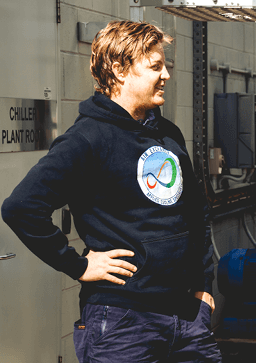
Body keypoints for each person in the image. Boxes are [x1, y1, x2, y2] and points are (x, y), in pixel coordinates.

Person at [2, 20, 222, 363]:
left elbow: (196, 211)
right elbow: (21, 207)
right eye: (155, 67)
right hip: (123, 321)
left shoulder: (168, 134)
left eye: (165, 66)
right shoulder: (87, 139)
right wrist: (77, 265)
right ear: (119, 70)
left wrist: (204, 286)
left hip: (187, 318)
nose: (165, 75)